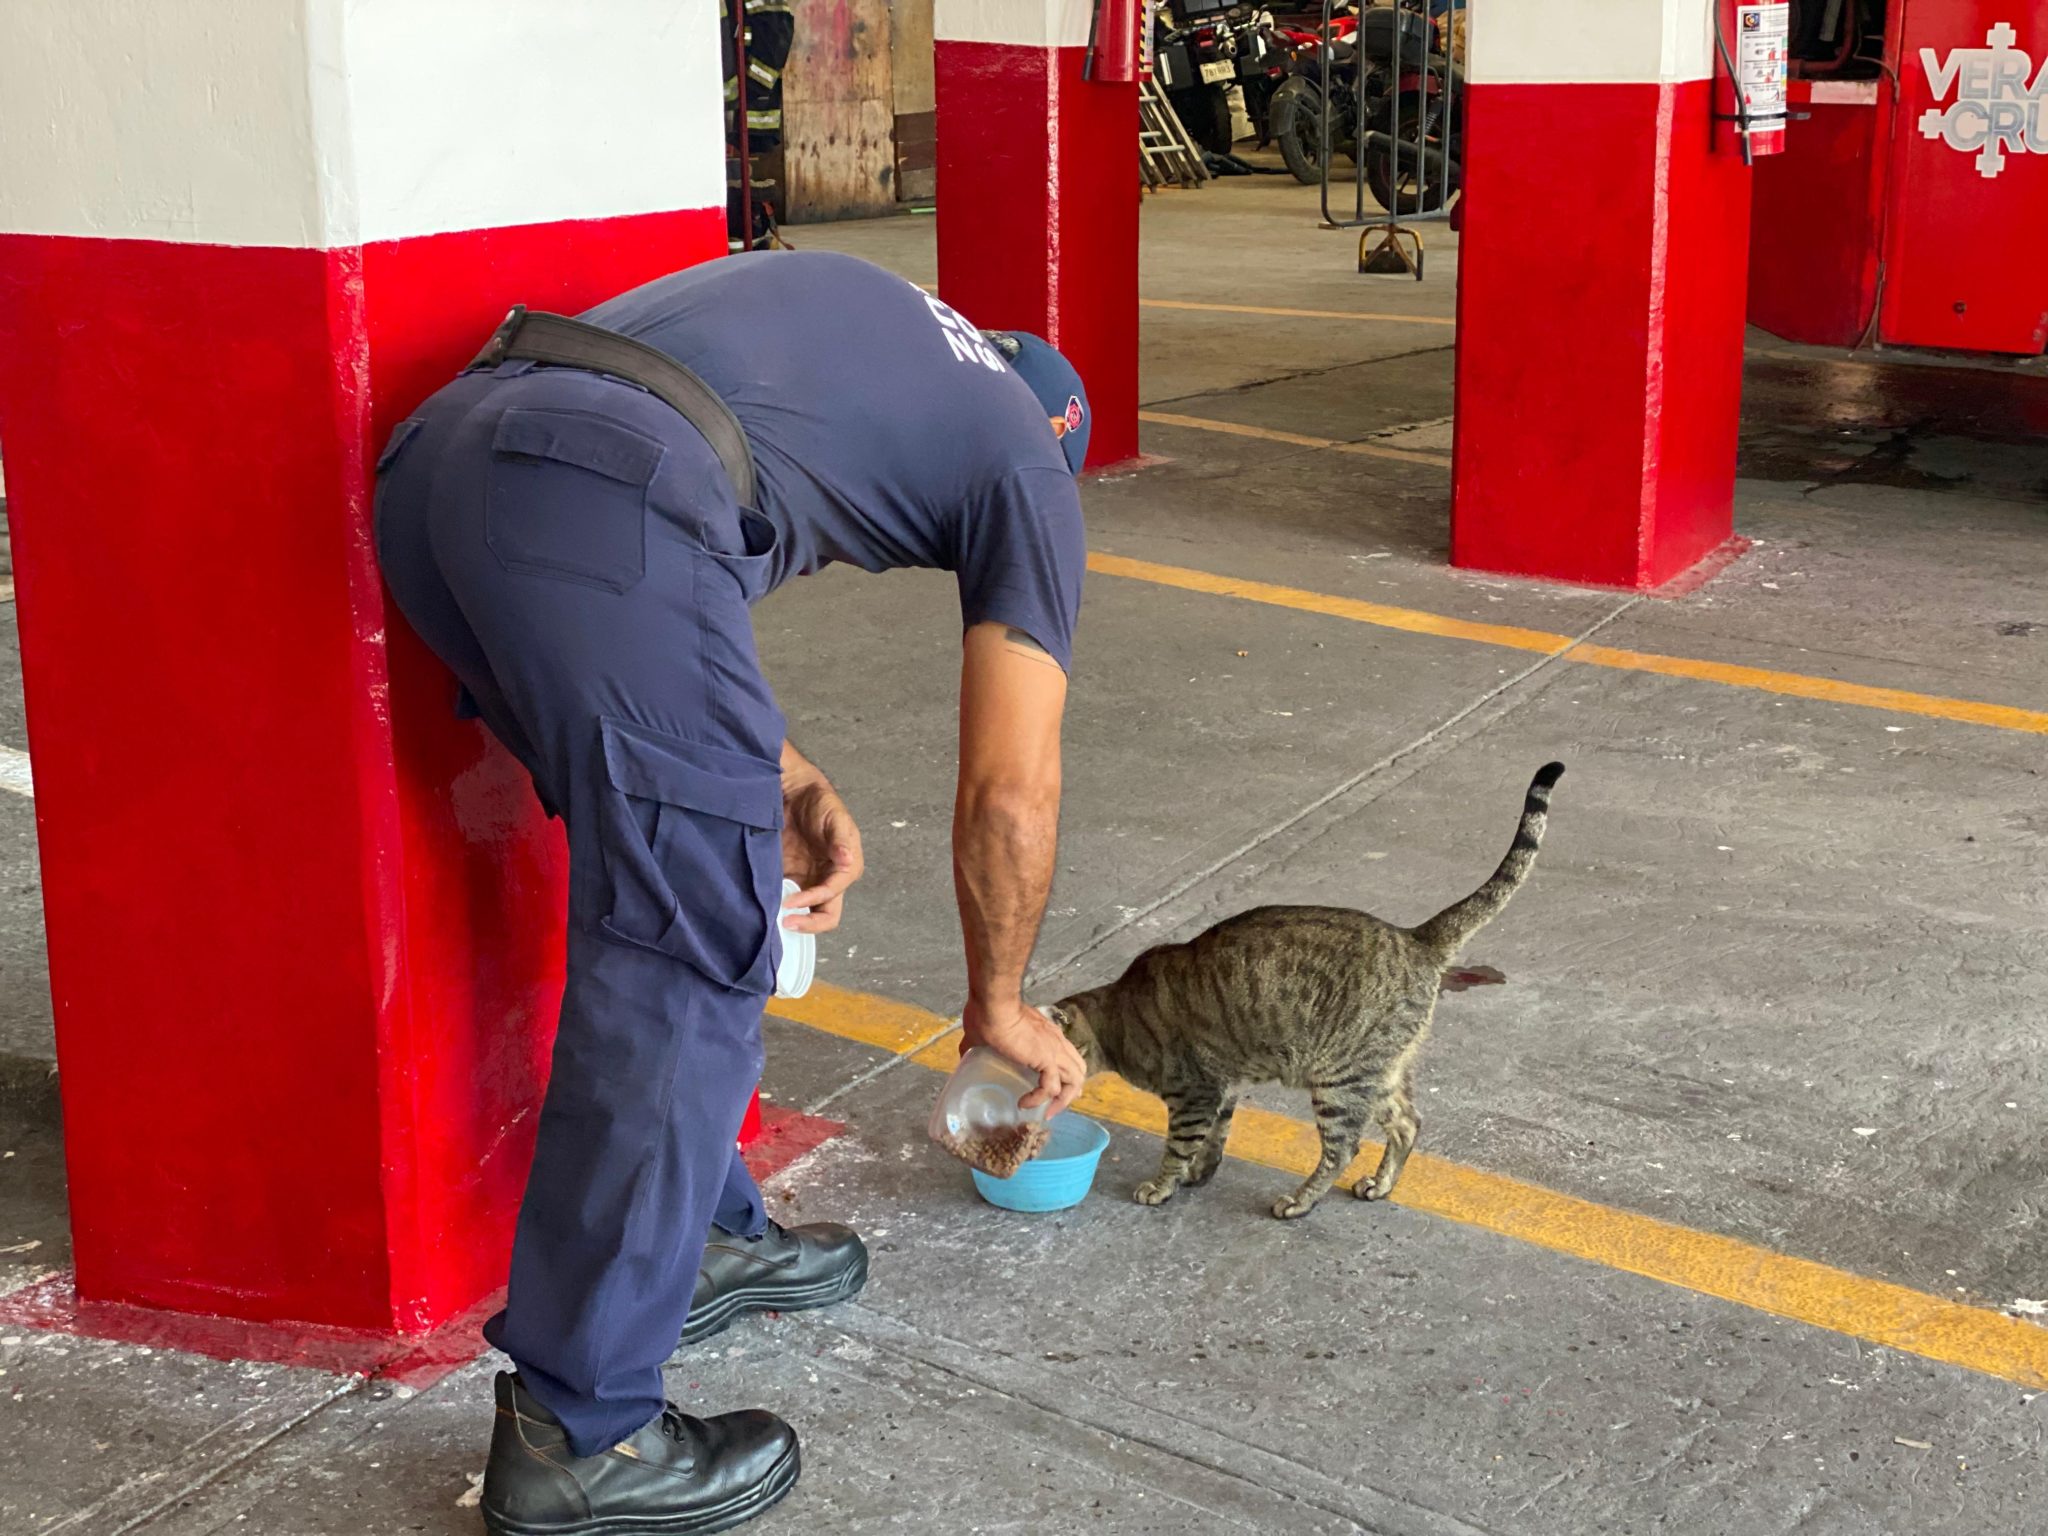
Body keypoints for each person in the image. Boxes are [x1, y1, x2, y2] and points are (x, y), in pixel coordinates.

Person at [373, 250, 1093, 1535]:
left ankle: (701, 1237)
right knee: (688, 947)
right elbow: (1009, 792)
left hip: (445, 466)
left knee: (677, 873)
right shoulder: (1026, 456)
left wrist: (782, 771)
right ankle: (579, 1432)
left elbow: (674, 579)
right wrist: (997, 1004)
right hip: (597, 488)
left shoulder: (900, 341)